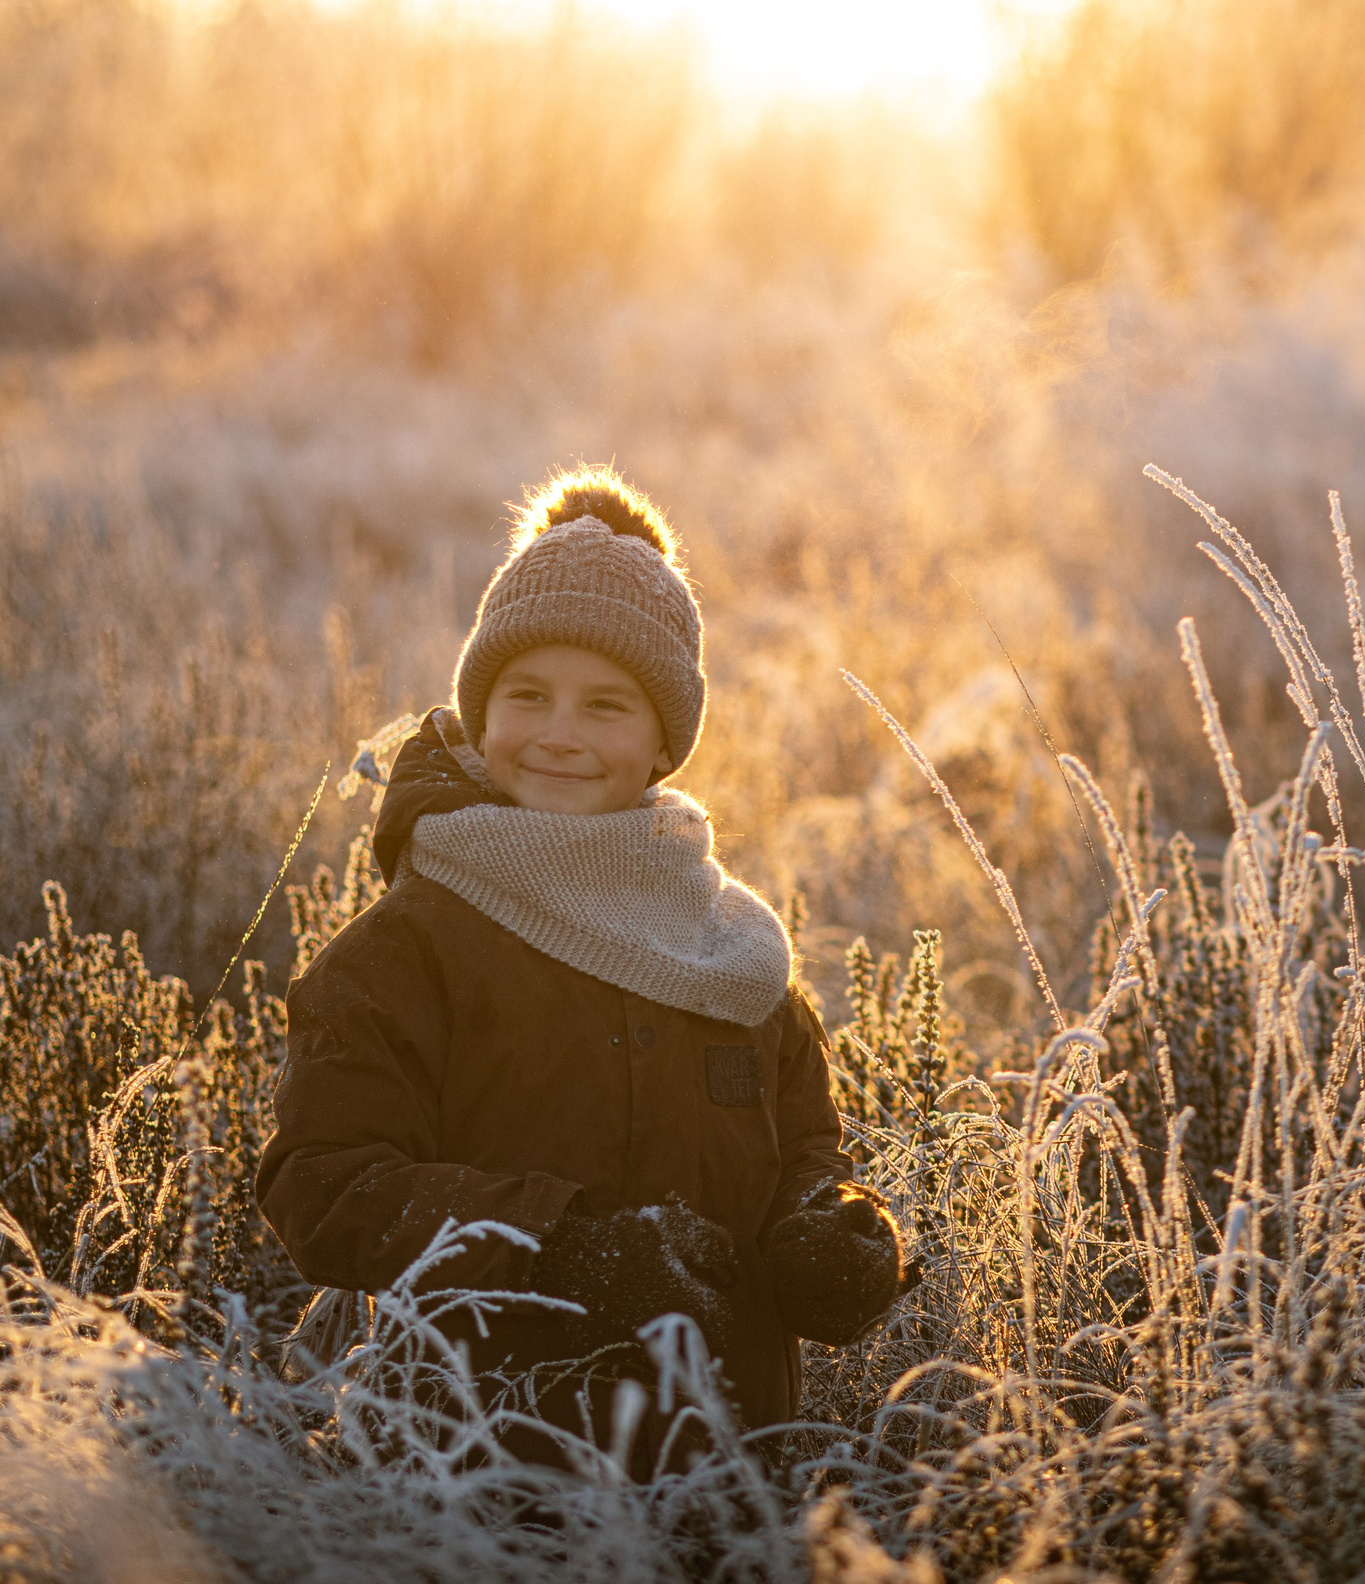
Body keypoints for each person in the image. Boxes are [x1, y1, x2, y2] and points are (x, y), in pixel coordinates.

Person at [257, 467, 907, 1471]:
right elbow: (326, 1186)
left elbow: (804, 1155)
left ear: (662, 743)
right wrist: (563, 1244)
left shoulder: (732, 953)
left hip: (722, 1490)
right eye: (528, 696)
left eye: (606, 706)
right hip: (480, 1486)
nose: (560, 734)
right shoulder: (406, 950)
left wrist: (826, 1237)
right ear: (480, 711)